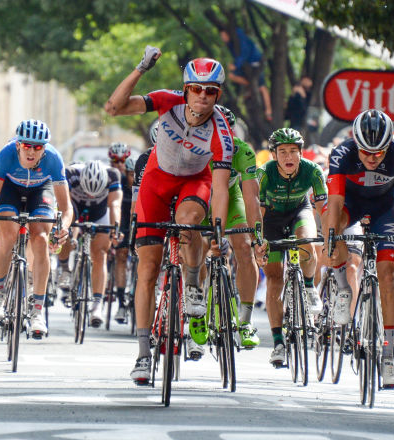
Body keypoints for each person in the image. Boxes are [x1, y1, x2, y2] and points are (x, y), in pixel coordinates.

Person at [104, 46, 235, 385]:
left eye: (210, 92)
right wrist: (139, 69)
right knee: (147, 268)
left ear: (217, 94)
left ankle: (192, 284)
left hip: (196, 181)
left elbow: (220, 189)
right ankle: (144, 354)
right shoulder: (167, 101)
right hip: (156, 181)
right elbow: (114, 107)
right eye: (196, 89)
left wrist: (218, 234)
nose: (202, 97)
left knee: (189, 223)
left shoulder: (222, 131)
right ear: (186, 88)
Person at [323, 109, 394, 390]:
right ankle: (343, 288)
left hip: (384, 209)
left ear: (389, 144)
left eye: (379, 153)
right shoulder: (342, 154)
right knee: (333, 226)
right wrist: (331, 238)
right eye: (366, 152)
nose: (372, 158)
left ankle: (389, 356)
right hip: (350, 205)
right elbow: (335, 203)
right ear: (356, 142)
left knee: (389, 275)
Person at [0, 120, 73, 340]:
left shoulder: (54, 160)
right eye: (27, 145)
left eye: (37, 147)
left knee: (40, 237)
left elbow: (66, 208)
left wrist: (64, 227)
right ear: (18, 144)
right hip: (9, 189)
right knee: (7, 236)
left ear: (44, 148)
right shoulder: (6, 155)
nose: (31, 150)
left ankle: (37, 310)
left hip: (40, 190)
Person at [186, 105, 263, 359]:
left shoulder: (242, 151)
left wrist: (258, 236)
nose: (223, 135)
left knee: (243, 246)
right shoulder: (195, 148)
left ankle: (245, 318)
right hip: (200, 196)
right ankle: (196, 311)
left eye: (227, 130)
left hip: (230, 197)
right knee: (197, 248)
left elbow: (251, 198)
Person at [255, 127, 327, 368]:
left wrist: (330, 235)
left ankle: (308, 287)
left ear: (300, 153)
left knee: (307, 241)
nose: (288, 157)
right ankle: (278, 343)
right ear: (274, 155)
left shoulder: (312, 170)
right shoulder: (264, 173)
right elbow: (259, 212)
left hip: (299, 211)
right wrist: (258, 241)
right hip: (271, 220)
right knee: (275, 278)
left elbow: (323, 206)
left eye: (293, 152)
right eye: (282, 152)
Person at [57, 160, 122, 328]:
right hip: (74, 208)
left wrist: (116, 229)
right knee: (66, 233)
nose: (91, 195)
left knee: (100, 253)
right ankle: (64, 268)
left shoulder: (112, 175)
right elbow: (63, 204)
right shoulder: (71, 173)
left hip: (100, 213)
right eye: (88, 191)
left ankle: (96, 305)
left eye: (96, 192)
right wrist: (66, 226)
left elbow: (115, 204)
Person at [107, 142, 134, 324]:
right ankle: (121, 303)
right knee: (121, 256)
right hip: (122, 219)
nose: (119, 165)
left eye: (122, 161)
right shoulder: (113, 179)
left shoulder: (135, 174)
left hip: (137, 218)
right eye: (115, 161)